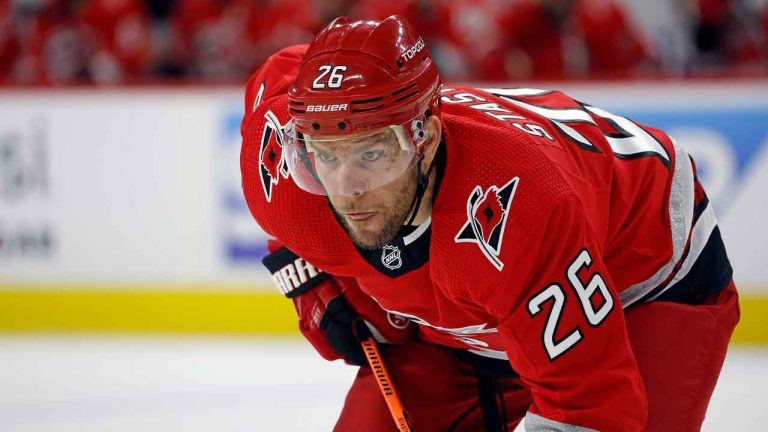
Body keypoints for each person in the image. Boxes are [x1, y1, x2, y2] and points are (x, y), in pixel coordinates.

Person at [240, 16, 739, 432]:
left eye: (373, 152)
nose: (348, 189)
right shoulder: (284, 176)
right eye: (325, 156)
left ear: (425, 137)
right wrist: (310, 279)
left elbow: (591, 407)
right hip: (481, 302)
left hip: (643, 264)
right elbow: (281, 69)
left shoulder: (520, 211)